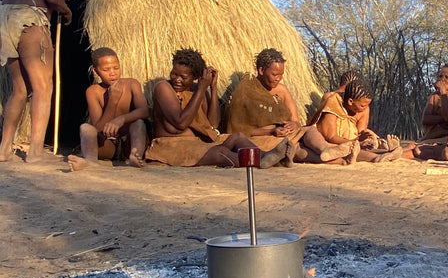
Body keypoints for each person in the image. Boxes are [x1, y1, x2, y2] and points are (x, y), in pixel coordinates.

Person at [0, 0, 72, 163]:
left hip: (5, 17)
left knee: (19, 89)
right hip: (31, 19)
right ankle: (35, 152)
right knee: (43, 86)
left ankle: (4, 149)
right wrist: (66, 10)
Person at [145, 48, 292, 167]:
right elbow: (181, 122)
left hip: (198, 142)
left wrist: (213, 88)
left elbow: (213, 124)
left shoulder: (197, 90)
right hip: (170, 146)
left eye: (183, 77)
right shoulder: (163, 88)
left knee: (238, 137)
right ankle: (259, 160)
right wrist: (202, 90)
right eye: (174, 74)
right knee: (220, 153)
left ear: (195, 77)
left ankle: (266, 156)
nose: (176, 79)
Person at [226, 48, 358, 164]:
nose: (278, 78)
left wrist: (294, 125)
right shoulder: (245, 92)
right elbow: (239, 130)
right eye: (274, 74)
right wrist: (271, 131)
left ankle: (326, 150)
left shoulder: (282, 90)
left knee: (308, 131)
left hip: (287, 135)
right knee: (297, 150)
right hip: (262, 139)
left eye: (281, 75)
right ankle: (341, 161)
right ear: (261, 70)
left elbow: (296, 120)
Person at [67, 48, 149, 171]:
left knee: (138, 123)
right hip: (107, 145)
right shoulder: (93, 92)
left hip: (129, 141)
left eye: (116, 68)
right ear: (96, 72)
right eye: (106, 70)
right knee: (85, 128)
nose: (112, 73)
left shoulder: (131, 84)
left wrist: (122, 119)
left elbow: (144, 111)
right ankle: (90, 160)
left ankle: (134, 155)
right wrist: (112, 101)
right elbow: (98, 128)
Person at [314, 79, 405, 162]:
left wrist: (366, 138)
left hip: (354, 141)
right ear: (350, 101)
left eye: (367, 105)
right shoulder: (333, 104)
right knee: (349, 149)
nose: (365, 108)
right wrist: (356, 142)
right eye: (362, 106)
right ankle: (379, 157)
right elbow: (331, 137)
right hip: (334, 143)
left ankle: (388, 152)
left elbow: (360, 131)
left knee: (365, 147)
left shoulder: (363, 109)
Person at [419, 64, 448, 141]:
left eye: (447, 77)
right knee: (410, 148)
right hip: (431, 136)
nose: (442, 80)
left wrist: (443, 92)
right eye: (440, 76)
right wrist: (446, 120)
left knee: (416, 149)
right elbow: (425, 119)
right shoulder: (434, 96)